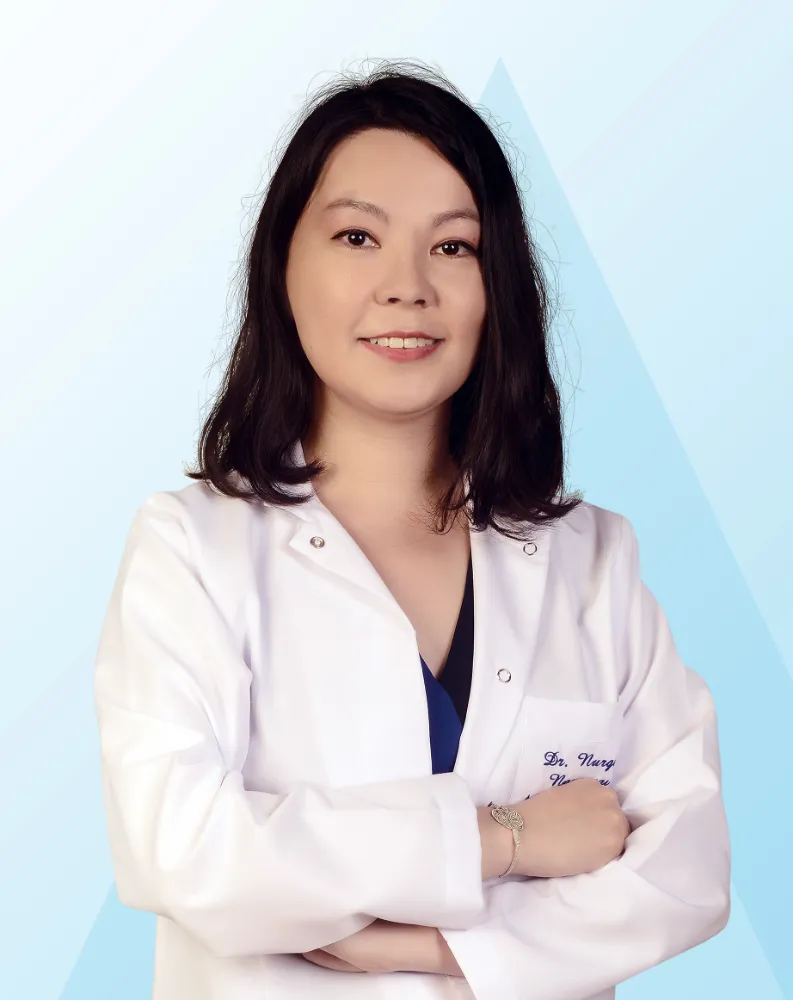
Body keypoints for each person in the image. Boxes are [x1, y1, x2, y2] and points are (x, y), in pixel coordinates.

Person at [94, 59, 731, 1000]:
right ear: (282, 268)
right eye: (357, 236)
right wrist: (504, 839)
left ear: (496, 286)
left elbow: (685, 872)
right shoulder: (191, 551)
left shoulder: (592, 562)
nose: (407, 287)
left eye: (453, 246)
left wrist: (437, 948)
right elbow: (186, 851)